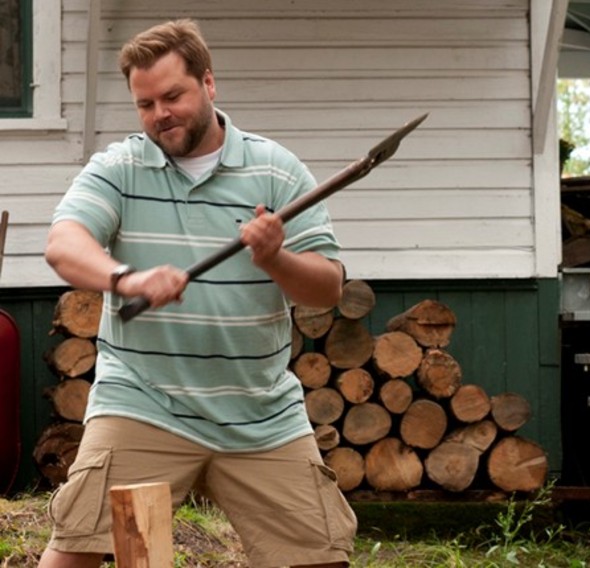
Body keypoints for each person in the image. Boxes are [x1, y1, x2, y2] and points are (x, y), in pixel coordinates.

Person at [39, 19, 356, 568]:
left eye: (172, 95)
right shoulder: (120, 167)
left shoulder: (276, 170)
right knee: (75, 553)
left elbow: (328, 287)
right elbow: (64, 244)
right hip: (143, 403)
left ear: (208, 84)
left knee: (320, 558)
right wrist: (127, 279)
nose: (159, 113)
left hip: (260, 413)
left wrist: (275, 257)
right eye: (145, 104)